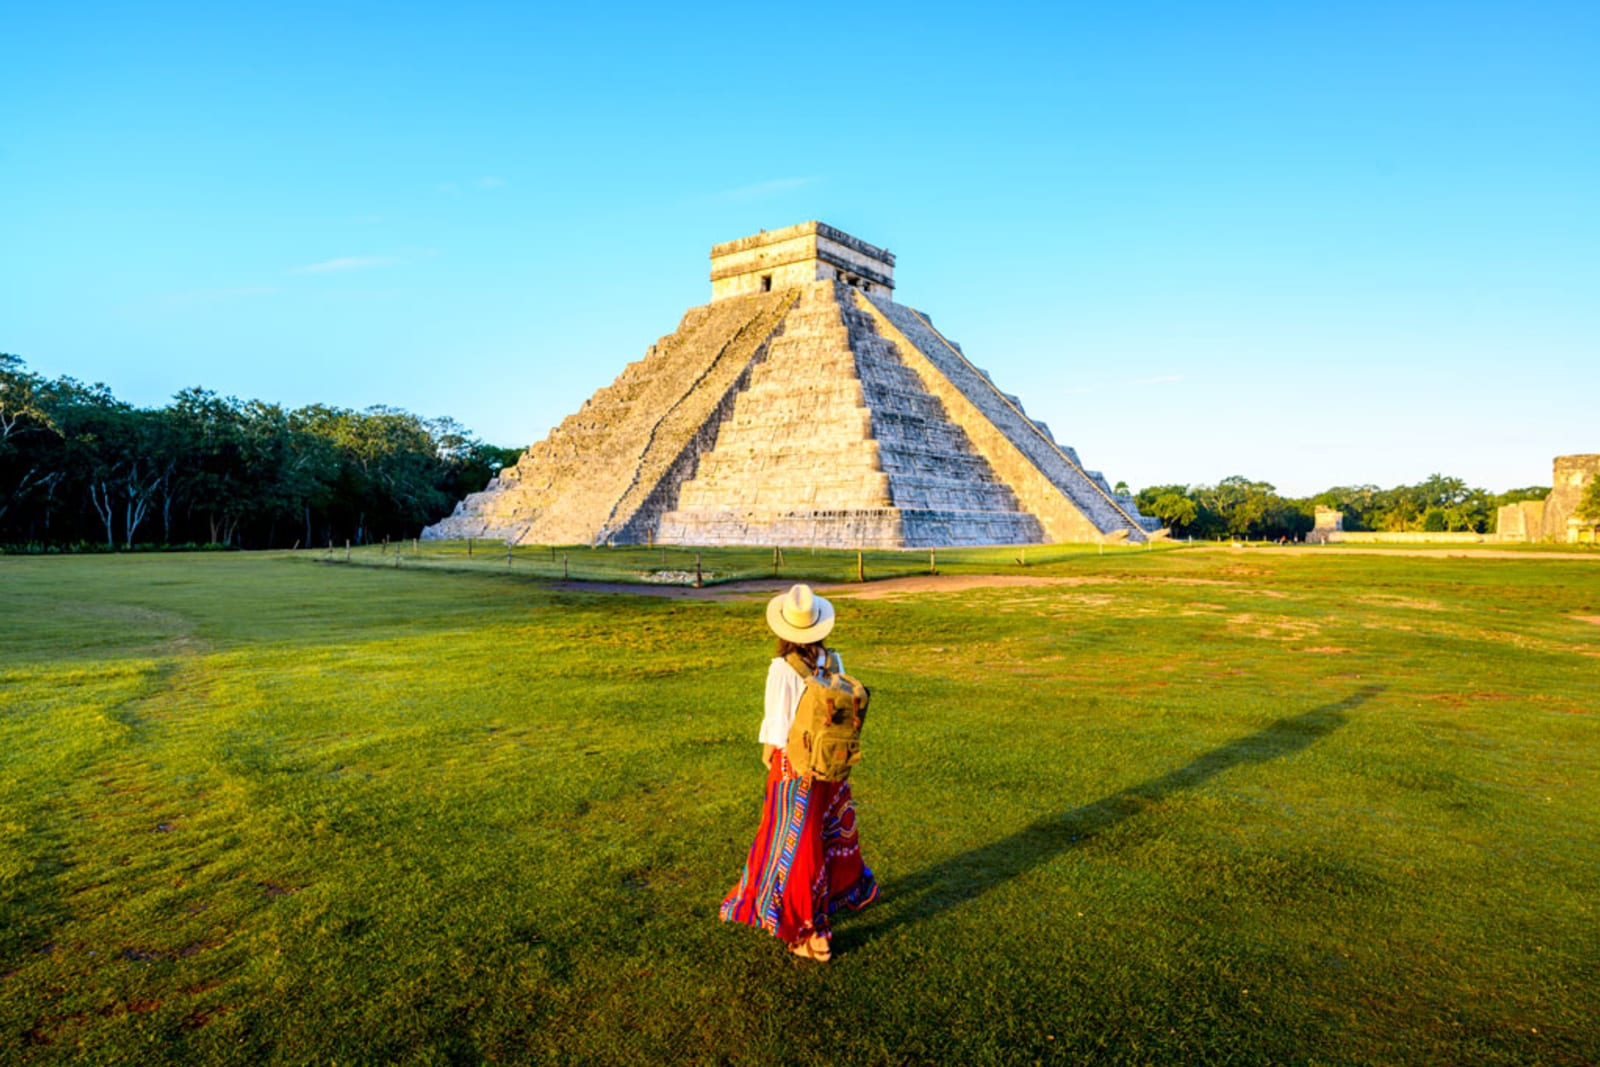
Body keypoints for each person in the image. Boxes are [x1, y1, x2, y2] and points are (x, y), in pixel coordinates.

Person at [718, 583, 878, 961]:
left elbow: (777, 728)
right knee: (823, 834)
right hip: (830, 765)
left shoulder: (782, 669)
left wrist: (770, 760)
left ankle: (808, 929)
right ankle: (832, 901)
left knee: (793, 844)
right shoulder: (832, 661)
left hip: (796, 768)